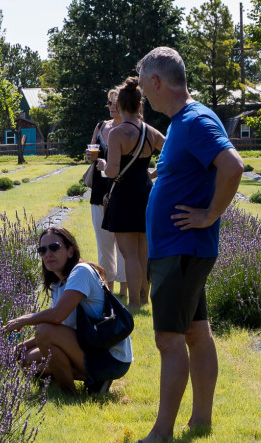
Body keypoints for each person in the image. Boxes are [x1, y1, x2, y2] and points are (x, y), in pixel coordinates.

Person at [136, 47, 244, 443]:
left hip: (181, 249)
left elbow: (232, 166)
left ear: (157, 81)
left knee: (169, 339)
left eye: (145, 85)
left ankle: (162, 433)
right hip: (180, 249)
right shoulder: (185, 120)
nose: (144, 95)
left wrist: (210, 215)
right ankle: (200, 421)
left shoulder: (195, 119)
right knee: (197, 332)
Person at [2, 227, 132, 395]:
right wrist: (19, 348)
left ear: (70, 251)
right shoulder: (58, 282)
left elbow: (56, 317)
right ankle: (92, 379)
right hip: (89, 346)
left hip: (111, 357)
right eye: (42, 250)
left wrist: (23, 319)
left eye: (54, 247)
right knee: (26, 361)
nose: (48, 253)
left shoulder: (81, 271)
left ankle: (71, 392)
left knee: (43, 330)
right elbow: (58, 330)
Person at [101, 78, 166, 309]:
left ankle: (135, 304)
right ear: (140, 105)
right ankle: (145, 298)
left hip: (124, 194)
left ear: (118, 106)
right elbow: (171, 151)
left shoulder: (117, 133)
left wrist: (101, 165)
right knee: (144, 252)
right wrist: (155, 172)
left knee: (129, 255)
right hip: (146, 192)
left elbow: (112, 171)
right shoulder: (151, 131)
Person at [85, 90, 126, 300]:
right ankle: (108, 289)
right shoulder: (101, 126)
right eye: (109, 102)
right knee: (104, 243)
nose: (110, 105)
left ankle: (125, 290)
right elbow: (91, 153)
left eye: (114, 102)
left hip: (122, 191)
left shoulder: (129, 129)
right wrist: (90, 156)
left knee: (123, 243)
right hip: (99, 190)